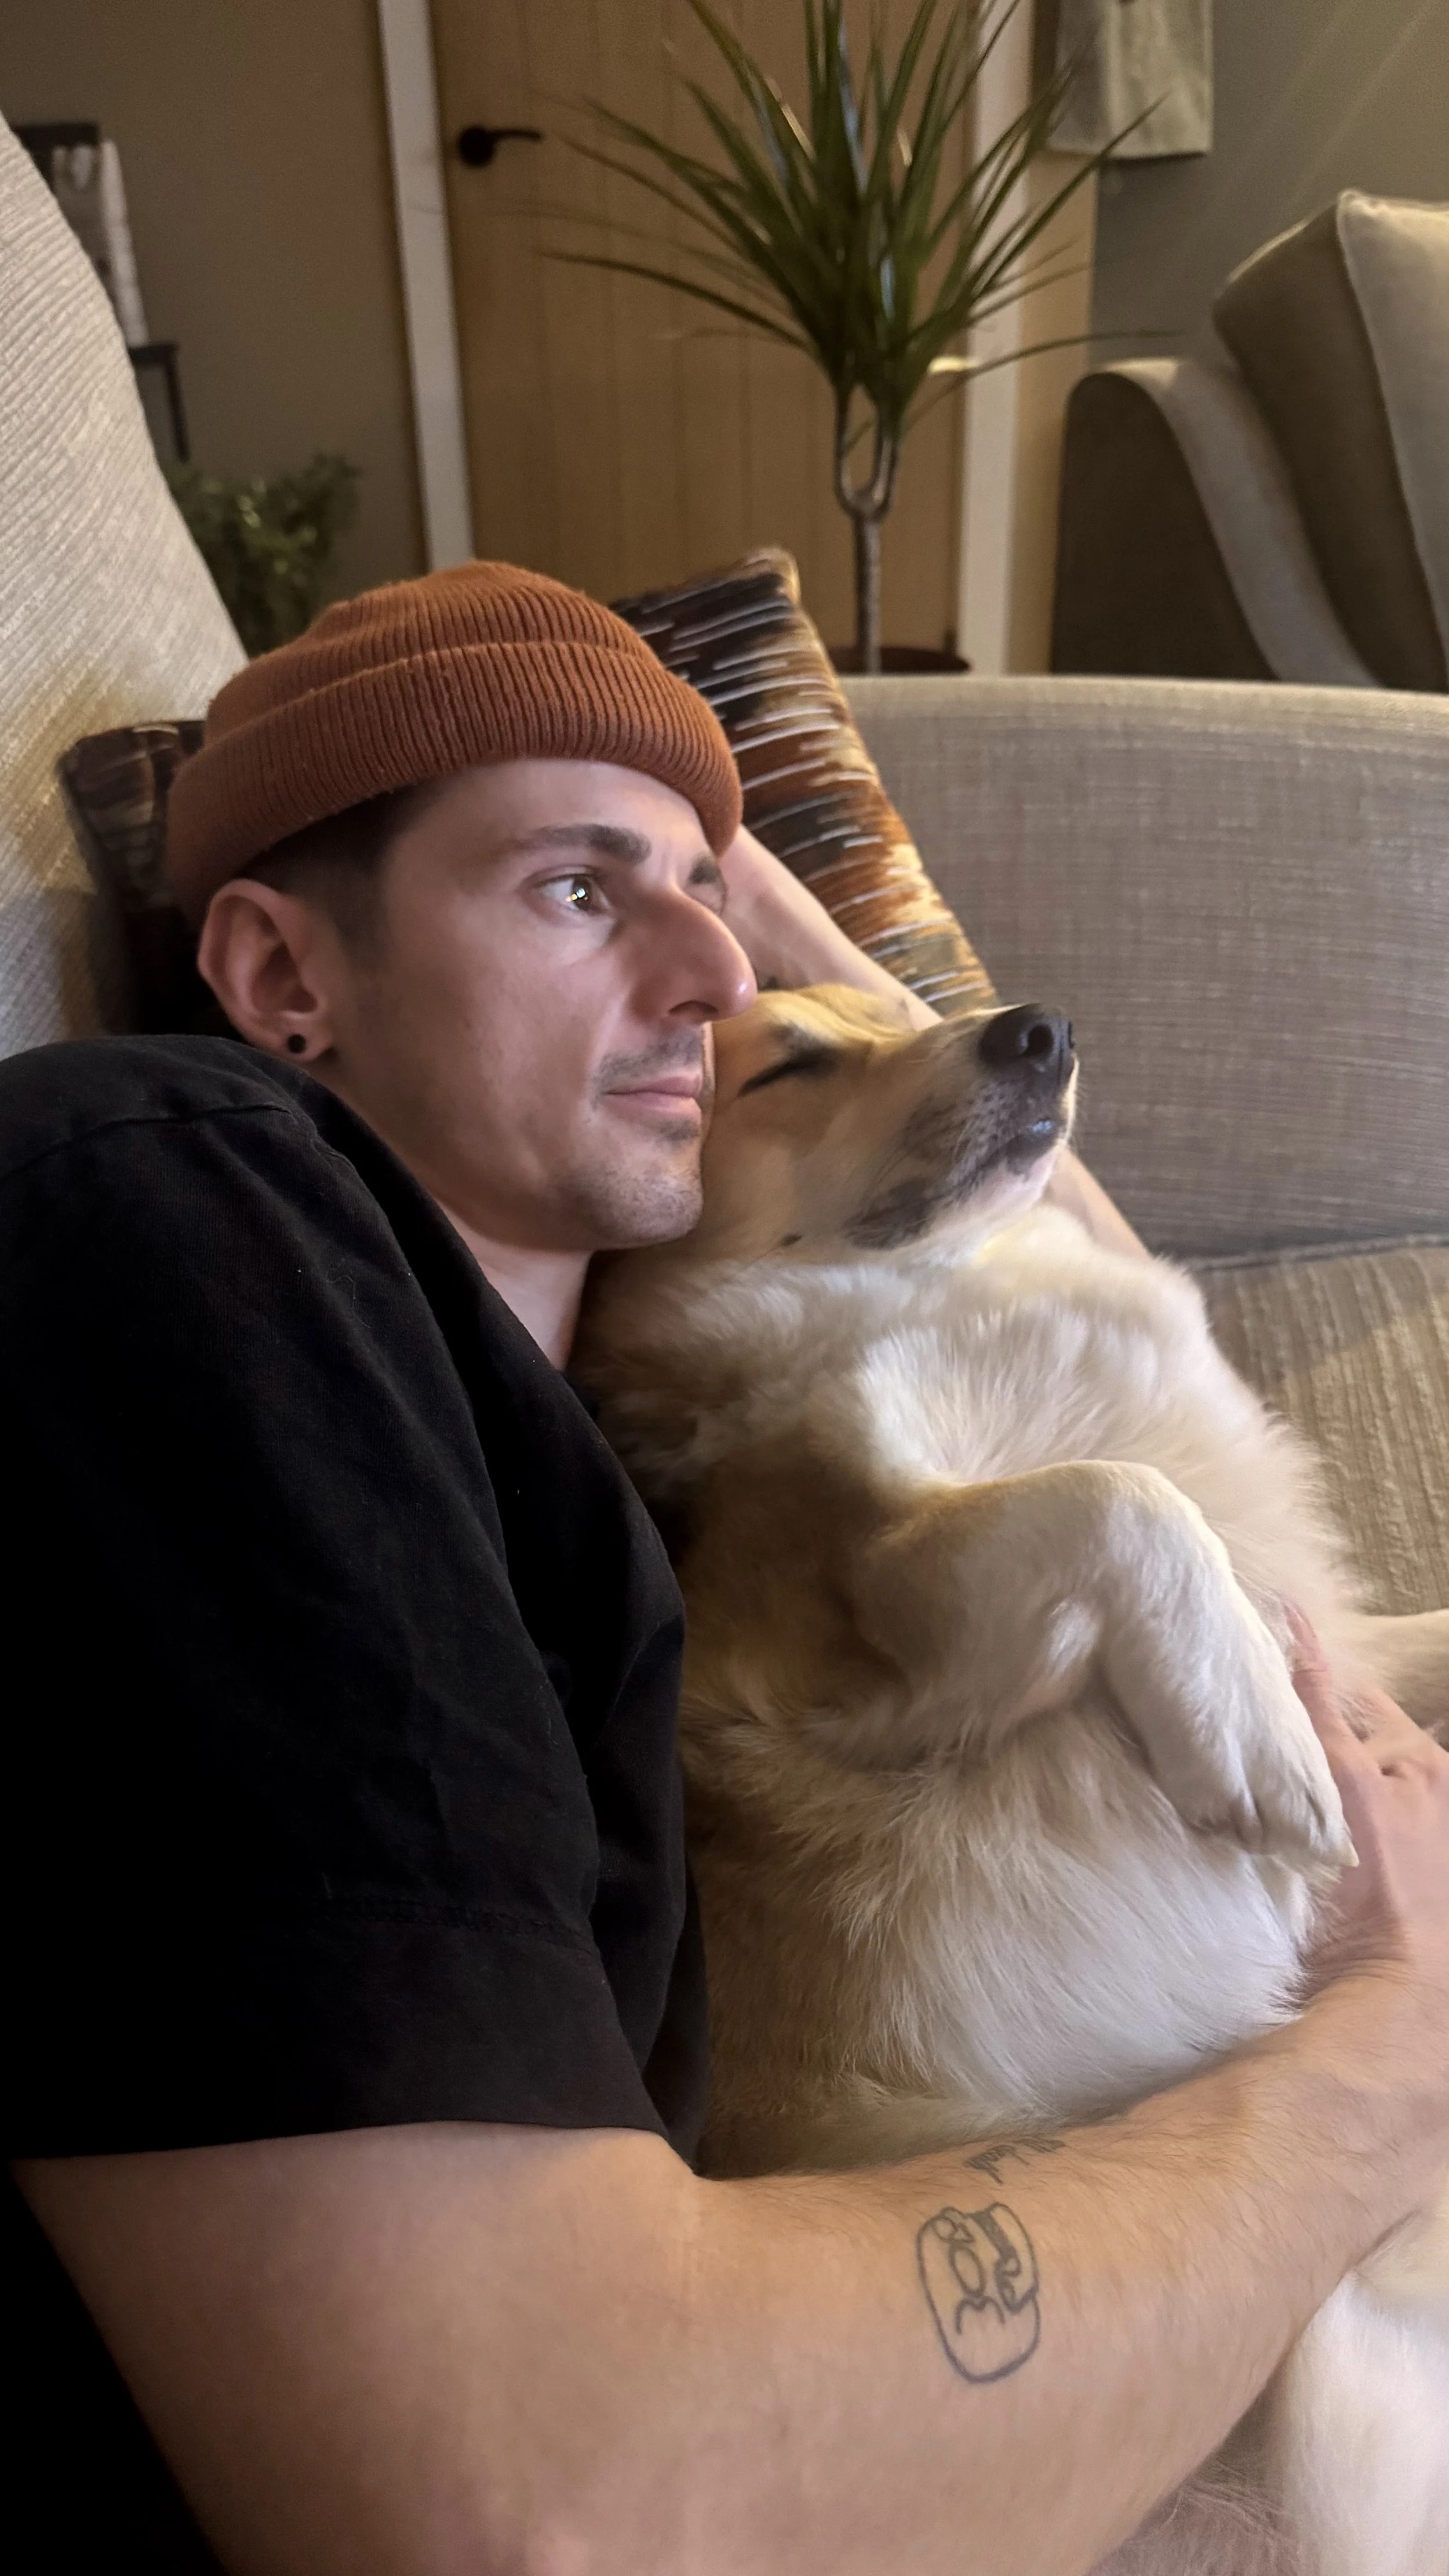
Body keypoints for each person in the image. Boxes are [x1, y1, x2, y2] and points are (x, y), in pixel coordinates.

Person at [6, 562, 1447, 2576]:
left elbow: (1094, 1299)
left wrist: (724, 898)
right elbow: (548, 2504)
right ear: (281, 980)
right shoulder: (185, 1207)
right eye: (579, 891)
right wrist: (1383, 2064)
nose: (709, 971)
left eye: (710, 887)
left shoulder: (609, 1483)